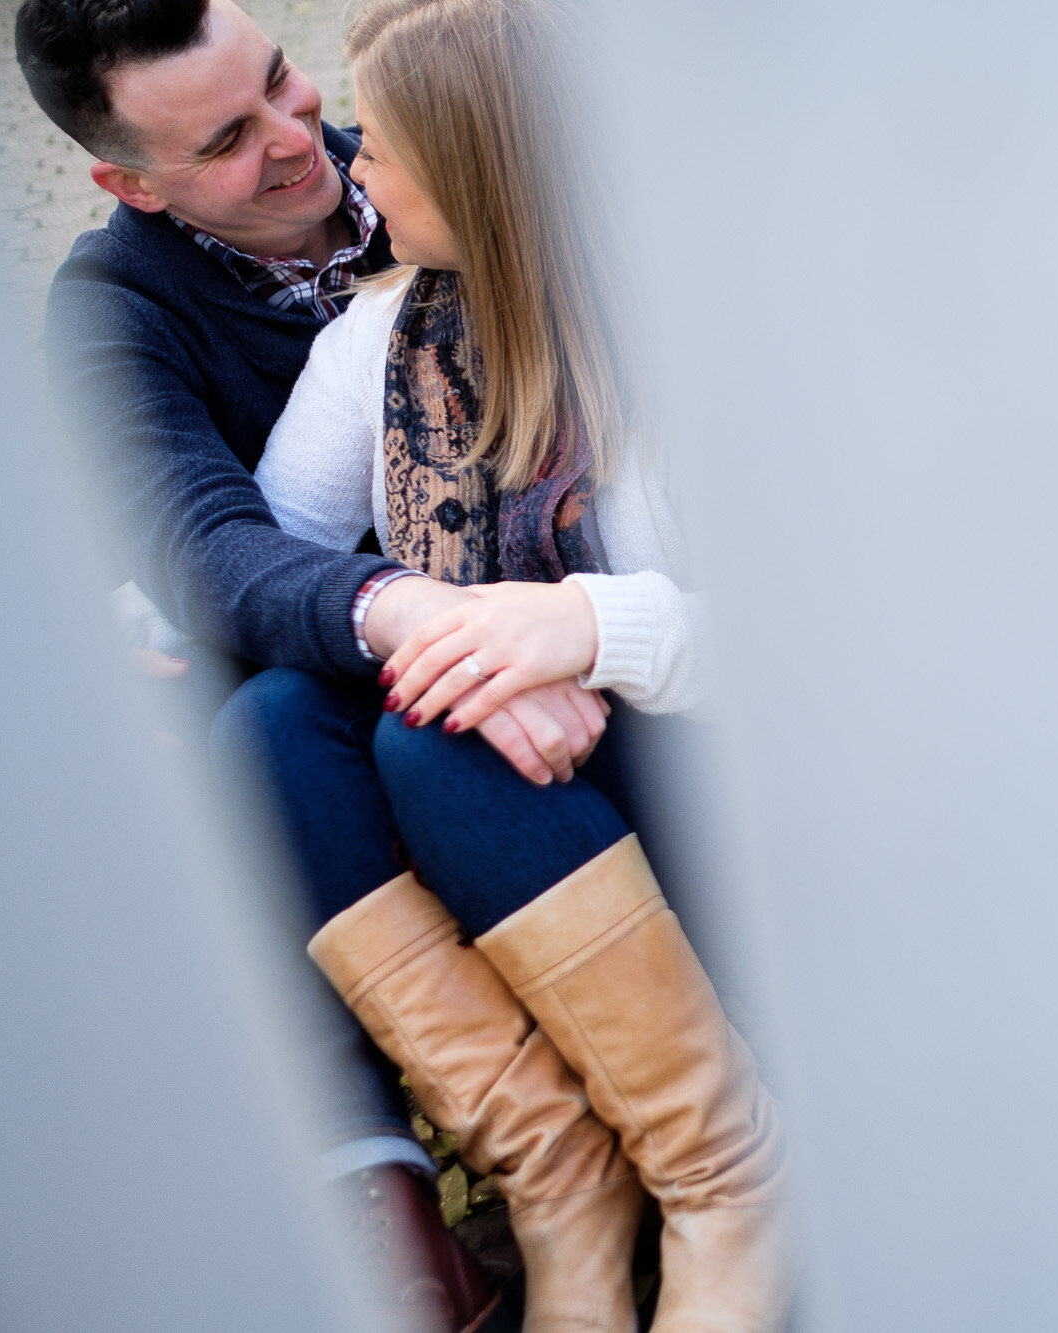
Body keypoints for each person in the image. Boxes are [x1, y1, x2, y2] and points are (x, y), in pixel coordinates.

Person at [11, 0, 608, 1324]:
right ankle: (397, 1196)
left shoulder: (428, 157)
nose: (304, 142)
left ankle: (655, 1136)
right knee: (228, 726)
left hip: (563, 641)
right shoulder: (113, 313)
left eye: (286, 83)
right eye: (229, 139)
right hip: (356, 676)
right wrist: (404, 613)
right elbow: (207, 544)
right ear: (130, 185)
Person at [230, 1, 792, 1327]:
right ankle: (560, 1176)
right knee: (272, 719)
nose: (354, 163)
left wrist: (587, 628)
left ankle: (725, 1172)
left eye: (389, 148)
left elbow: (823, 663)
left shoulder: (691, 337)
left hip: (733, 840)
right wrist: (436, 619)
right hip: (525, 851)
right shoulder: (388, 333)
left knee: (438, 729)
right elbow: (263, 560)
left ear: (483, 171)